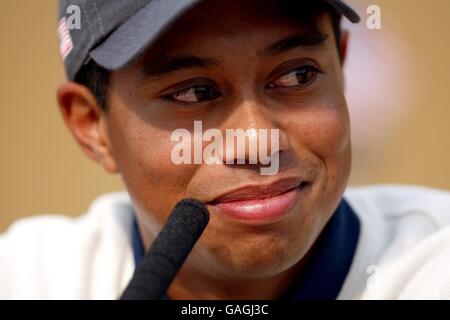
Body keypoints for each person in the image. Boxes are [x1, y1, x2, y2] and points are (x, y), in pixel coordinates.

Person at [1, 0, 449, 300]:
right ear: (91, 125)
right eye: (194, 92)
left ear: (342, 67)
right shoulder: (29, 279)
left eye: (297, 76)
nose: (258, 142)